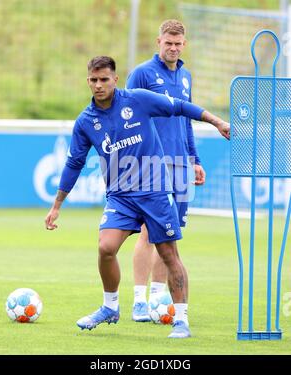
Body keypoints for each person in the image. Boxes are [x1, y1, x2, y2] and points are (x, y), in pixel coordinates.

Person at [45, 56, 230, 339]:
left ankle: (181, 320)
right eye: (93, 80)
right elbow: (74, 164)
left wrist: (216, 121)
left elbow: (179, 107)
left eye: (104, 79)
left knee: (169, 254)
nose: (98, 85)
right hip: (120, 197)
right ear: (88, 81)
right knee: (106, 247)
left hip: (155, 191)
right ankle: (110, 307)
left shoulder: (138, 100)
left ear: (115, 79)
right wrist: (57, 206)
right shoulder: (85, 121)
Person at [126, 19, 206, 322]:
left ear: (183, 44)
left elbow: (185, 121)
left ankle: (159, 299)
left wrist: (194, 159)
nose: (172, 48)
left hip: (181, 164)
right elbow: (126, 115)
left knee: (170, 234)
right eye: (167, 43)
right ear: (158, 41)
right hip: (150, 164)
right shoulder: (142, 74)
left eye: (177, 43)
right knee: (148, 231)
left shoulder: (185, 76)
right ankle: (138, 300)